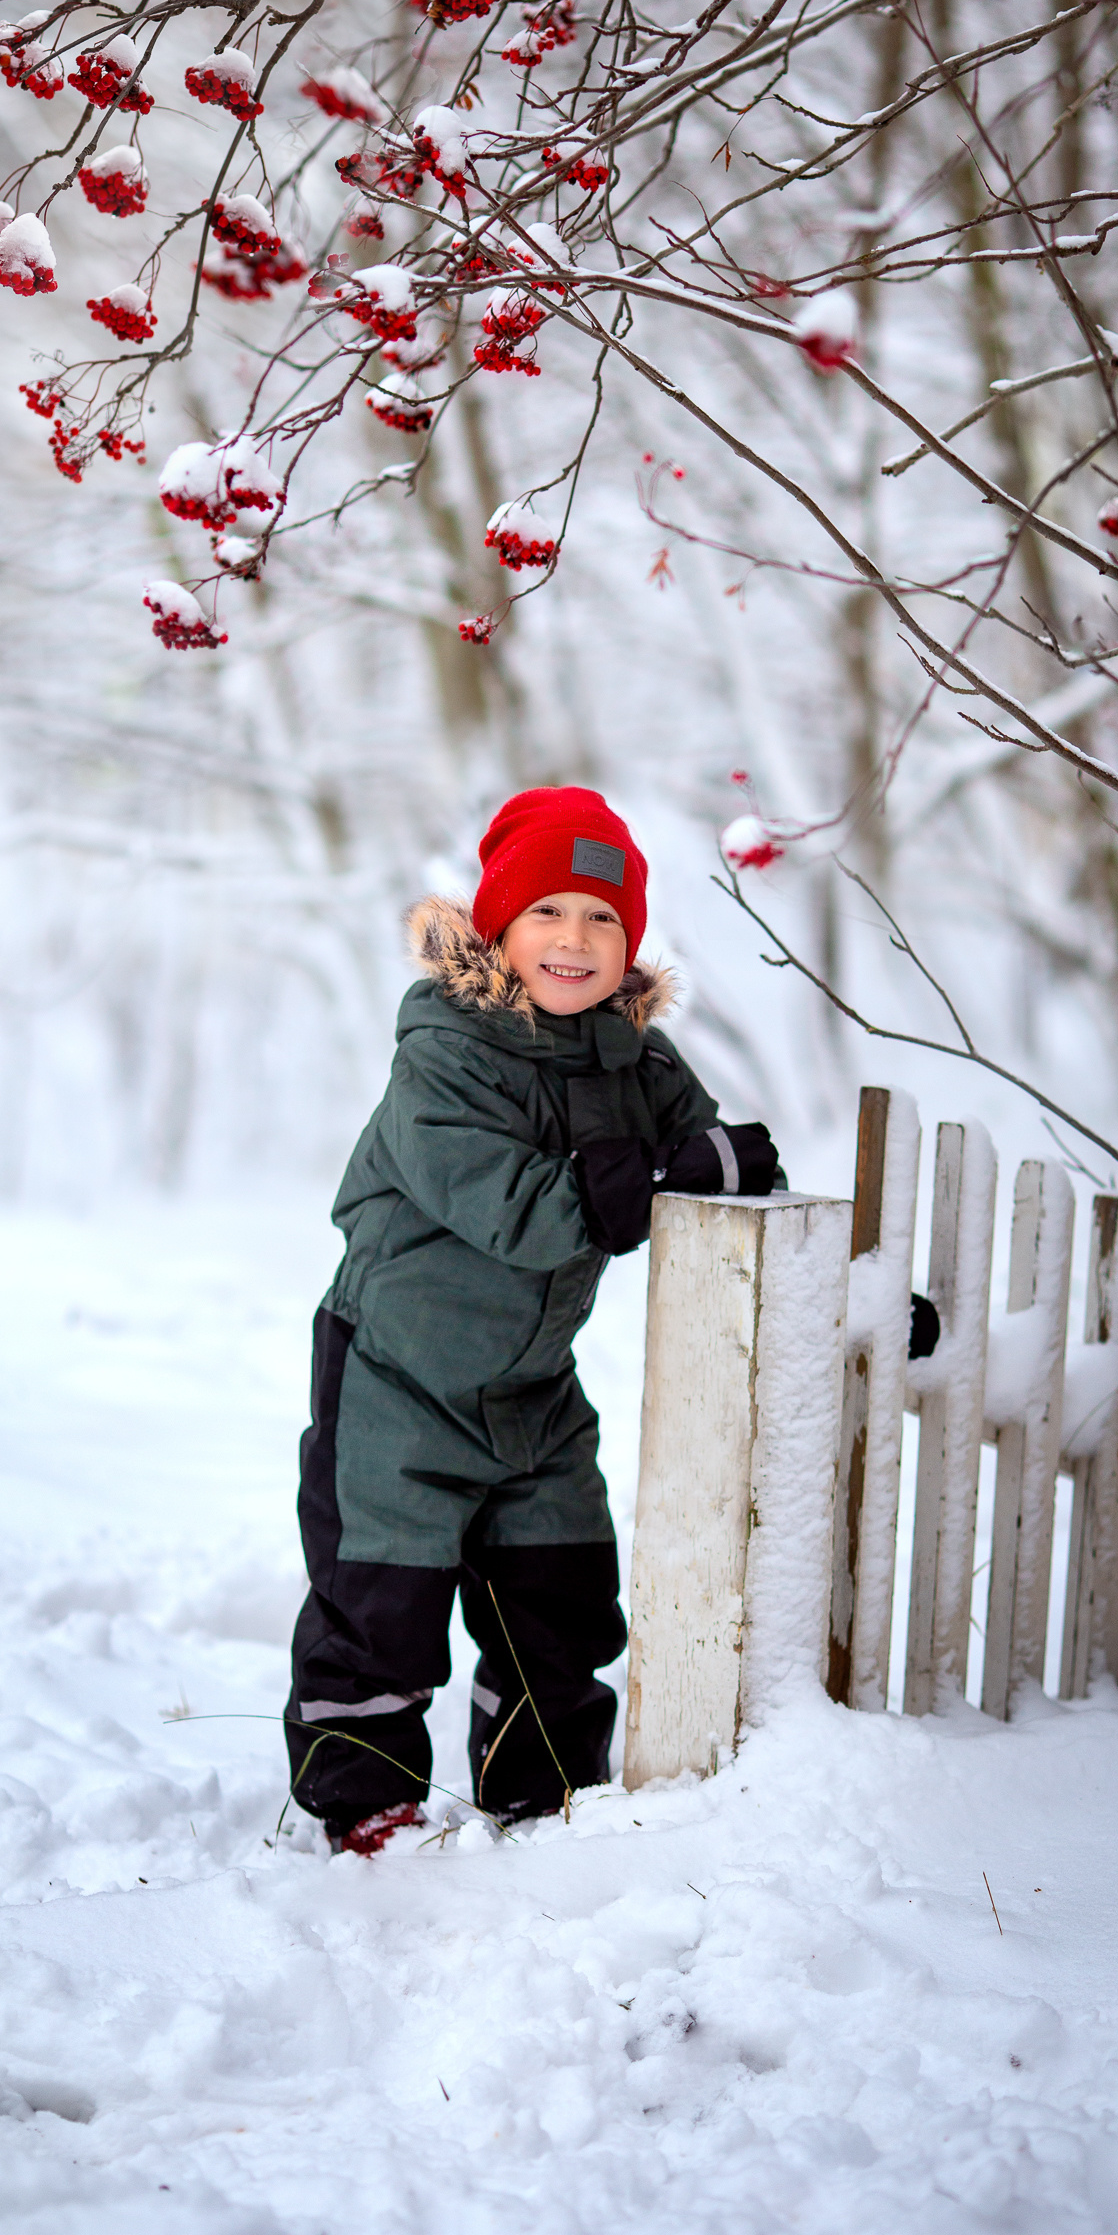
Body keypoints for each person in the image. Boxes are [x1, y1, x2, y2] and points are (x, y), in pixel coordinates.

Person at [282, 787, 780, 1856]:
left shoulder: (633, 1065)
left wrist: (846, 1280)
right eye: (547, 910)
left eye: (602, 918)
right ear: (499, 927)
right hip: (397, 1379)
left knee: (559, 1598)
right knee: (382, 1600)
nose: (574, 938)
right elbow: (522, 1209)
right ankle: (366, 1806)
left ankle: (541, 1798)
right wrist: (660, 1172)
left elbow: (722, 1173)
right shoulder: (443, 1055)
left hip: (532, 1391)